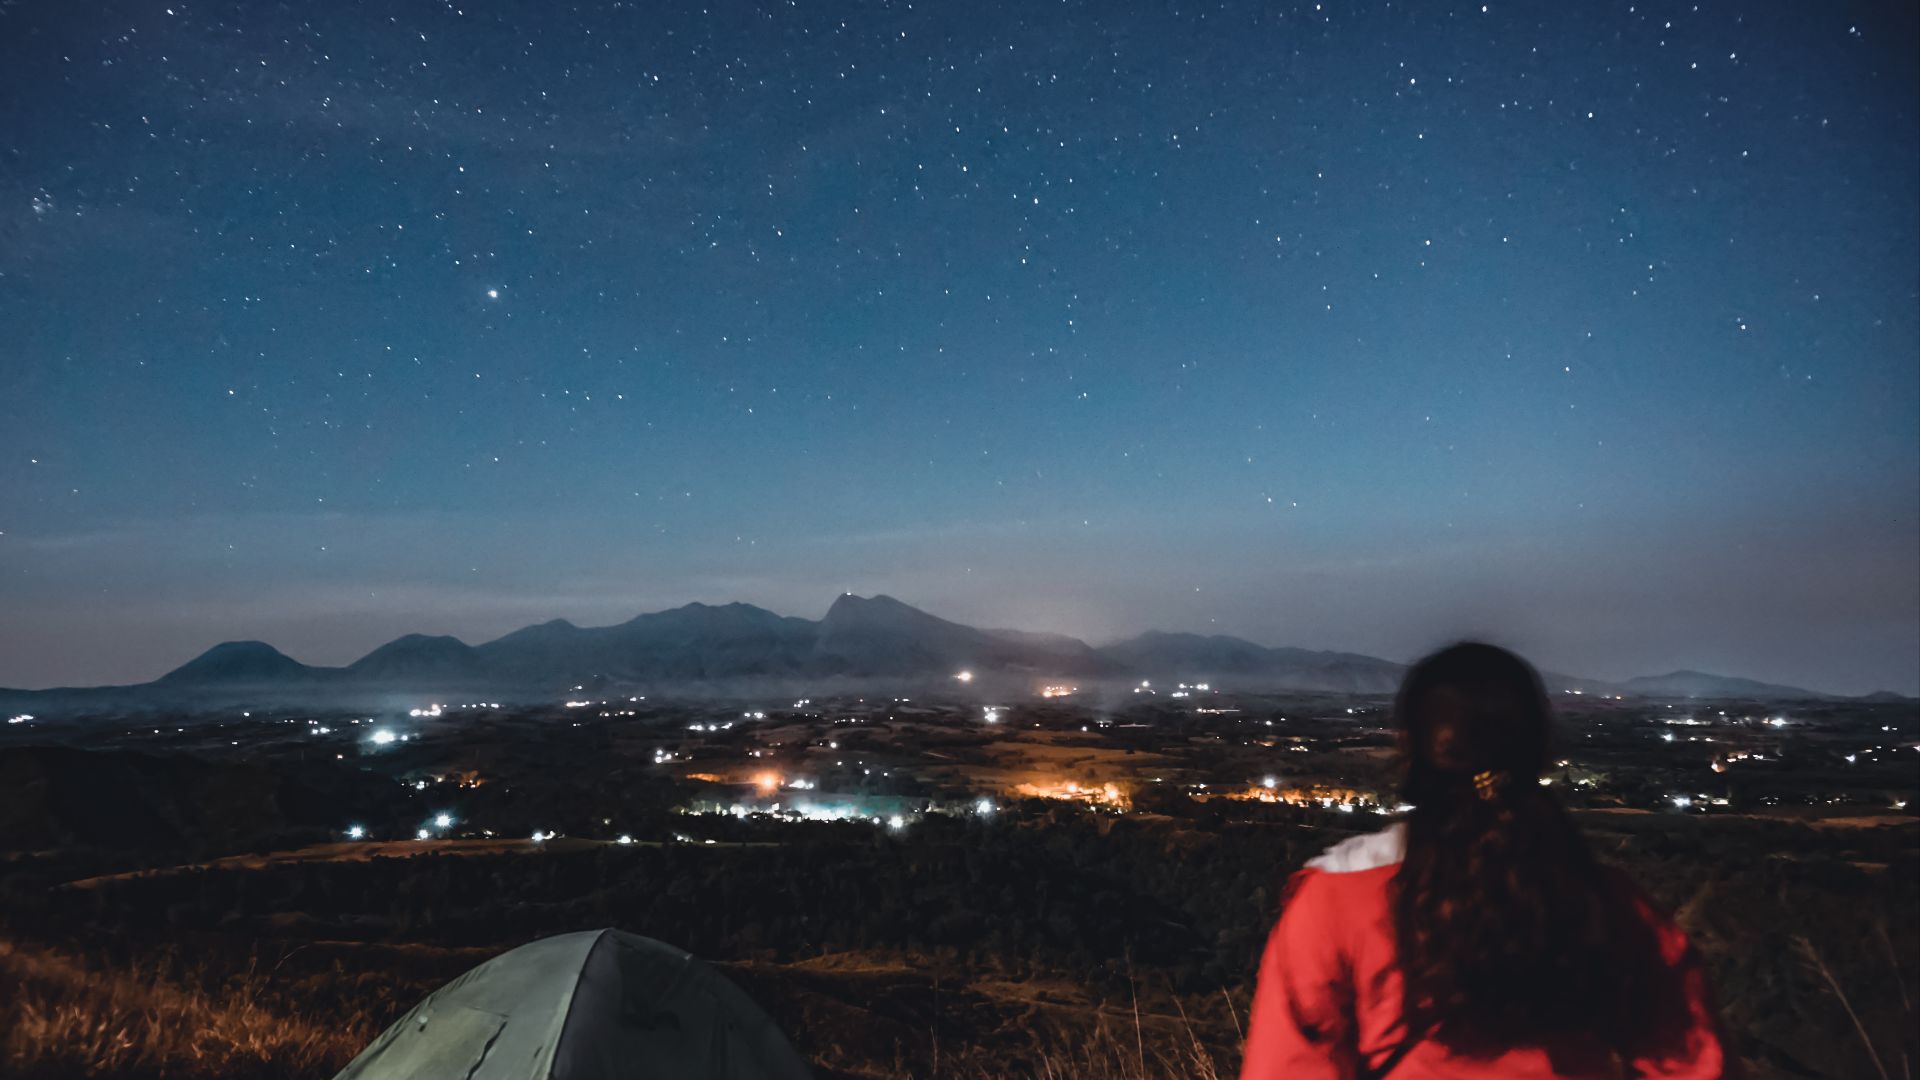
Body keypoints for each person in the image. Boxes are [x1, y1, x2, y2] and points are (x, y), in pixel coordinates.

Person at [1241, 643, 1733, 1078]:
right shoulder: (1606, 902)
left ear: (1407, 748)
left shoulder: (1335, 902)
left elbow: (1287, 1068)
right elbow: (1692, 1062)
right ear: (1541, 754)